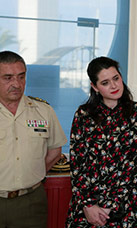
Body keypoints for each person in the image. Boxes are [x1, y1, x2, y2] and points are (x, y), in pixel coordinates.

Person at [66, 56, 137, 227]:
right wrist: (88, 204)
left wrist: (108, 206)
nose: (114, 86)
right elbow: (77, 163)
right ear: (95, 87)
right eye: (105, 83)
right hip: (88, 207)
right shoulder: (84, 115)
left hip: (126, 204)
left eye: (116, 78)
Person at [0, 51, 67, 227]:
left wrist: (32, 173)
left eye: (21, 77)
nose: (16, 84)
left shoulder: (44, 111)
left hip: (30, 202)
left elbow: (54, 152)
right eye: (8, 78)